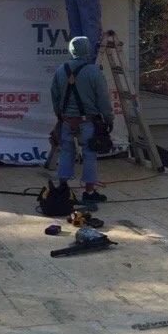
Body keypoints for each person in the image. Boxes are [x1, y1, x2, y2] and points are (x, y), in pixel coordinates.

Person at [49, 34, 112, 208]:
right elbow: (103, 99)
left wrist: (60, 115)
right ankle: (89, 193)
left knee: (66, 153)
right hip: (87, 122)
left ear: (71, 50)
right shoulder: (94, 72)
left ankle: (63, 190)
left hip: (68, 121)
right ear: (88, 50)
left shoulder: (61, 70)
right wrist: (109, 118)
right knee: (90, 155)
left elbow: (54, 96)